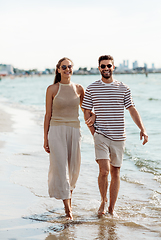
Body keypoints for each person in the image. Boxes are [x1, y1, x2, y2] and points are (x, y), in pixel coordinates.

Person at [82, 55, 148, 216]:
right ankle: (103, 202)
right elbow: (86, 110)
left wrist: (142, 129)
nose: (106, 69)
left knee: (116, 172)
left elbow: (132, 109)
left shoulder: (123, 88)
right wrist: (94, 132)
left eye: (108, 66)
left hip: (119, 136)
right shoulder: (91, 88)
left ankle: (112, 208)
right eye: (103, 66)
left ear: (113, 67)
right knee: (104, 171)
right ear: (99, 68)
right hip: (101, 135)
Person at [43, 57, 94, 220]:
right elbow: (48, 115)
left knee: (73, 169)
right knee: (61, 169)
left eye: (69, 66)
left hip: (74, 131)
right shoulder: (52, 89)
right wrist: (45, 138)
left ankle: (68, 201)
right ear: (58, 69)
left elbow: (86, 112)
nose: (67, 69)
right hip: (56, 131)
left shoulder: (79, 89)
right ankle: (68, 211)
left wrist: (95, 123)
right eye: (64, 67)